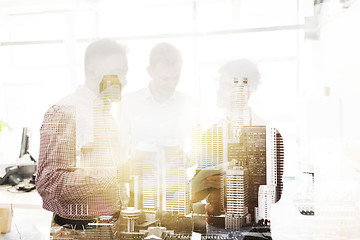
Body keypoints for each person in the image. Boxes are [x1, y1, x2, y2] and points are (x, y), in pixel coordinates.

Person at [35, 38, 128, 239]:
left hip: (110, 230)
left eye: (125, 74)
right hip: (77, 233)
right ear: (93, 71)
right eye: (118, 72)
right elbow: (49, 183)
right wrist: (117, 174)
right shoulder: (65, 111)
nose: (125, 81)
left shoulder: (106, 115)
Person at [192, 59, 283, 233]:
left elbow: (275, 194)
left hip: (253, 231)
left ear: (247, 91)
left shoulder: (268, 134)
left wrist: (235, 183)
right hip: (215, 228)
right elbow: (198, 193)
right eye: (219, 83)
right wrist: (203, 183)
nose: (219, 89)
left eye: (225, 85)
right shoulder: (211, 134)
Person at [119, 42, 193, 216]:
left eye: (176, 77)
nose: (171, 84)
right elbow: (119, 148)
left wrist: (186, 156)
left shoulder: (187, 104)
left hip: (176, 192)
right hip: (140, 192)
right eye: (165, 78)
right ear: (150, 71)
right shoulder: (129, 103)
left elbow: (197, 148)